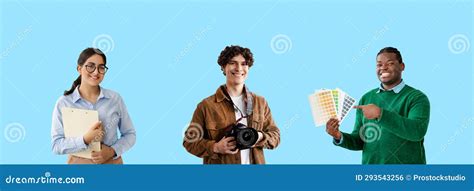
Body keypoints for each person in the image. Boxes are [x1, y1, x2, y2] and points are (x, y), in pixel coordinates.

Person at [326, 47, 430, 164]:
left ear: (402, 66)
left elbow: (416, 132)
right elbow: (360, 140)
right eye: (379, 65)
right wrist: (339, 136)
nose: (383, 68)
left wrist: (381, 114)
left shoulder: (416, 97)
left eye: (390, 63)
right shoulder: (366, 98)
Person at [183, 45, 280, 164]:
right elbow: (189, 142)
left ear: (248, 68)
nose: (239, 68)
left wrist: (258, 136)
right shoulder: (206, 106)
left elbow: (275, 136)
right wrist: (215, 147)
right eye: (233, 63)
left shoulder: (260, 102)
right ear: (224, 67)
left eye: (244, 64)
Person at [51, 48, 136, 164]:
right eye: (90, 66)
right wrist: (85, 139)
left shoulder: (115, 99)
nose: (96, 72)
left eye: (101, 67)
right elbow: (56, 145)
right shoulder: (64, 103)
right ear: (79, 68)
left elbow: (130, 134)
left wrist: (112, 151)